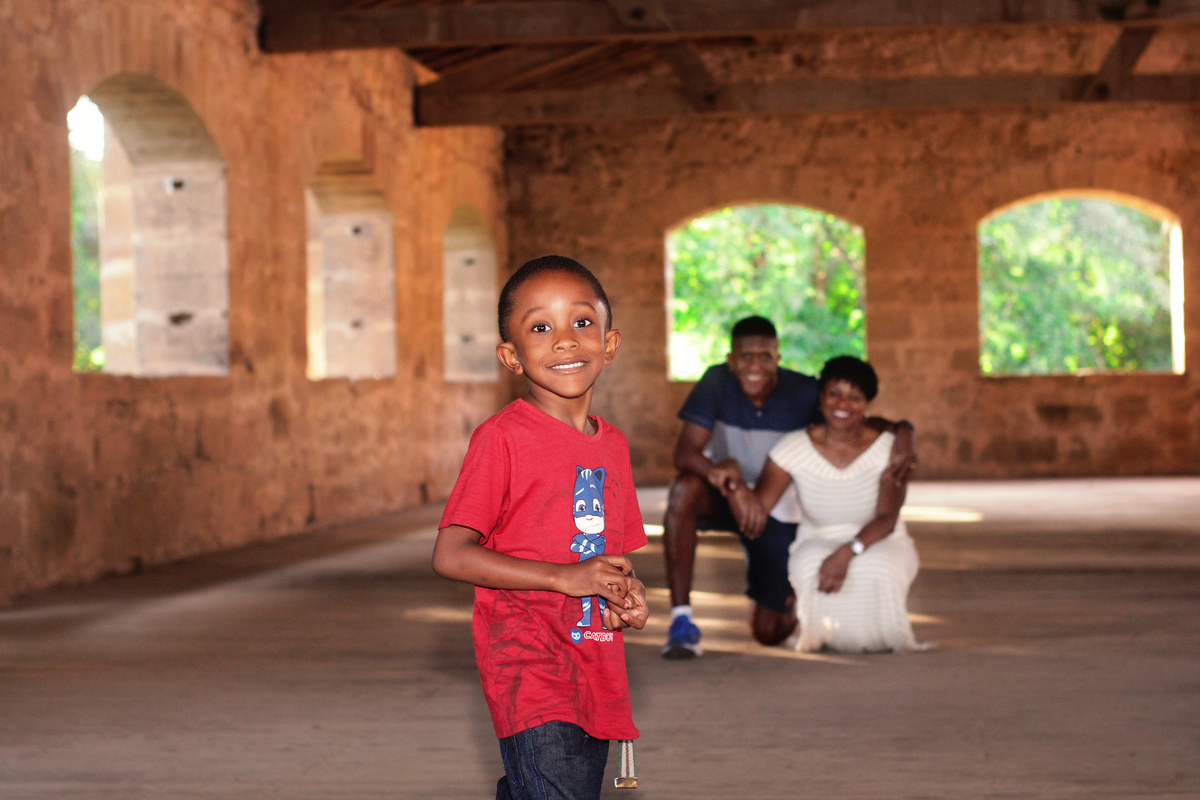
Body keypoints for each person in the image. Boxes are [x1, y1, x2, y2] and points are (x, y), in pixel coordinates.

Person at [433, 255, 649, 800]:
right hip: (528, 665)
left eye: (581, 322)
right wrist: (562, 578)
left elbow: (609, 557)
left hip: (594, 661)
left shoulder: (613, 446)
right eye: (540, 328)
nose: (565, 340)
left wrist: (626, 595)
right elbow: (452, 554)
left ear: (610, 343)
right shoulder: (502, 439)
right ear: (511, 356)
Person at [662, 317, 915, 658]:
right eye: (745, 357)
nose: (755, 366)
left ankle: (789, 599)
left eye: (764, 357)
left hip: (775, 508)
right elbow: (684, 454)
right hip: (726, 495)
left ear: (778, 358)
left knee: (769, 632)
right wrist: (730, 481)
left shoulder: (804, 391)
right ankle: (681, 622)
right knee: (684, 490)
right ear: (731, 359)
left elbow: (851, 415)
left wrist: (903, 430)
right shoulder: (716, 382)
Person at [752, 356, 924, 653]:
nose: (842, 404)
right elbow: (757, 510)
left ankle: (880, 639)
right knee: (811, 564)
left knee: (880, 567)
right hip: (817, 536)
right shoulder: (794, 447)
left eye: (854, 397)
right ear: (821, 397)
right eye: (834, 393)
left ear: (867, 404)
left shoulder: (890, 449)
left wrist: (847, 551)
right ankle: (822, 637)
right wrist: (728, 479)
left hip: (881, 538)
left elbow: (887, 518)